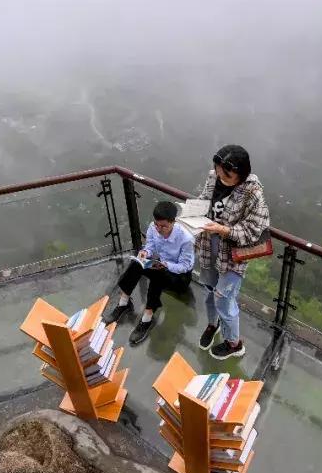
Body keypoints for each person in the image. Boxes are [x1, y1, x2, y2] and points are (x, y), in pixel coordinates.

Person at [192, 144, 270, 360]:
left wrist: (225, 230)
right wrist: (191, 213)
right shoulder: (213, 176)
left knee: (224, 298)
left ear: (242, 174)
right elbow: (205, 200)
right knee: (209, 290)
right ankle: (212, 324)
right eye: (219, 171)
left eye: (227, 175)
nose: (221, 177)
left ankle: (234, 343)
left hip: (234, 254)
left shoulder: (252, 192)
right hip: (209, 246)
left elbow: (257, 228)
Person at [103, 201, 195, 345]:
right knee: (137, 263)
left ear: (173, 222)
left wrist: (166, 265)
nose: (159, 229)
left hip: (179, 278)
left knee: (158, 274)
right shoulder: (154, 227)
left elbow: (186, 266)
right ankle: (124, 303)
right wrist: (145, 252)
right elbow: (150, 246)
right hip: (162, 267)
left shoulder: (186, 239)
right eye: (157, 225)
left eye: (163, 226)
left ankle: (147, 318)